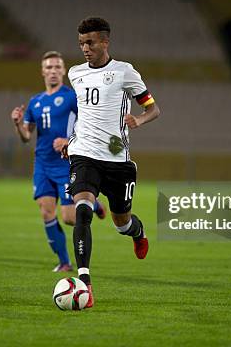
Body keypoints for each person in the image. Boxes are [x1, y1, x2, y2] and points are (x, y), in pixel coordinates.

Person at [63, 17, 160, 308]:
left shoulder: (124, 72)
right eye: (81, 43)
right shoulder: (75, 74)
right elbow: (80, 113)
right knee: (82, 210)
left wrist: (139, 120)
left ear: (105, 41)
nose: (85, 48)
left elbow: (154, 108)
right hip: (84, 155)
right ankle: (85, 282)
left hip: (117, 159)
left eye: (90, 42)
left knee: (122, 223)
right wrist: (70, 142)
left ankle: (137, 232)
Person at [11, 51, 106, 272]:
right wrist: (17, 124)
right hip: (43, 165)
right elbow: (26, 136)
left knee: (70, 218)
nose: (53, 71)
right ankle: (64, 261)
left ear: (63, 71)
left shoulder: (73, 97)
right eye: (49, 67)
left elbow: (90, 124)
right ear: (43, 72)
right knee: (46, 212)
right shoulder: (35, 101)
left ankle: (93, 202)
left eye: (57, 67)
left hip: (66, 163)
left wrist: (68, 139)